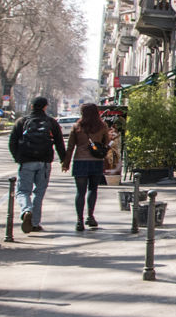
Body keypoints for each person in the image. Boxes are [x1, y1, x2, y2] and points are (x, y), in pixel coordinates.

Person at [9, 96, 67, 233]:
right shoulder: (51, 122)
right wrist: (64, 161)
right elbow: (59, 143)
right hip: (44, 162)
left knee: (23, 191)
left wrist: (18, 158)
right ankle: (35, 223)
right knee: (39, 193)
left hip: (26, 161)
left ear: (31, 106)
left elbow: (12, 142)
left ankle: (26, 210)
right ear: (46, 107)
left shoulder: (22, 122)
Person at [65, 103, 116, 232]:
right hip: (96, 161)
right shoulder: (102, 126)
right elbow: (105, 143)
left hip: (80, 161)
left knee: (80, 192)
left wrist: (66, 162)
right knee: (93, 189)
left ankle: (79, 221)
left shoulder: (77, 127)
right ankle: (90, 216)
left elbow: (70, 146)